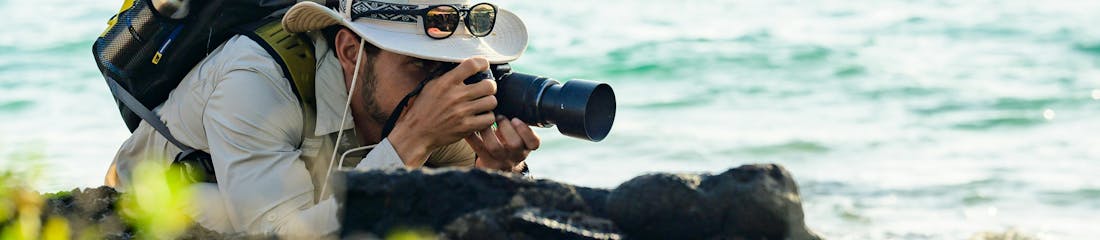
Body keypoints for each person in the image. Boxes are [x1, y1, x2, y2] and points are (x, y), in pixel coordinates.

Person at [103, 0, 538, 237]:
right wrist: (412, 140)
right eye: (420, 65)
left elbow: (467, 215)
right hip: (152, 202)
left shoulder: (417, 98)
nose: (438, 88)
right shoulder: (256, 79)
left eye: (448, 65)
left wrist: (496, 171)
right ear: (351, 51)